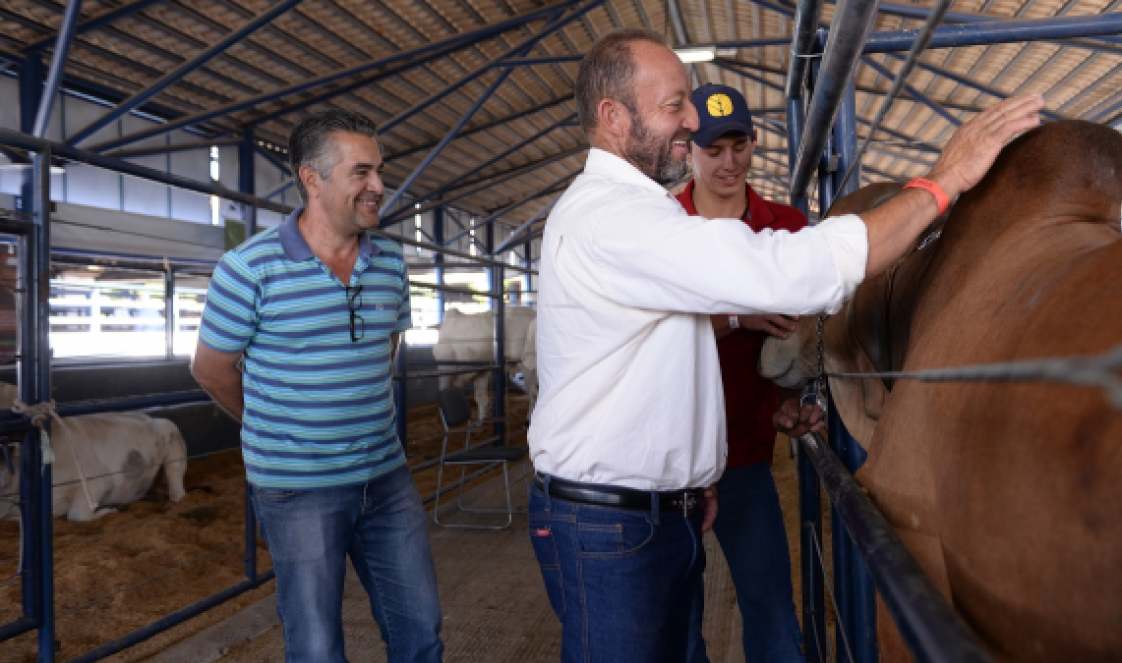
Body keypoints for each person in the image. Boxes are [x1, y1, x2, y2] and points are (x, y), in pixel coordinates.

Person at [525, 26, 1042, 663]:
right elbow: (792, 269)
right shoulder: (615, 219)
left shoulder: (642, 212)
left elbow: (665, 357)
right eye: (674, 106)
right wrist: (942, 182)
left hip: (665, 505)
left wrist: (695, 469)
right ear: (612, 116)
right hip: (613, 523)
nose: (690, 121)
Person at [191, 109, 444, 663]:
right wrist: (278, 426)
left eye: (378, 171)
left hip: (386, 478)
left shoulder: (391, 263)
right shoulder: (248, 268)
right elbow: (211, 369)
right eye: (361, 172)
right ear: (312, 179)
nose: (378, 186)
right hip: (298, 489)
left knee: (420, 630)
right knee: (316, 647)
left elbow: (386, 351)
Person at [675, 83, 808, 663]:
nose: (729, 163)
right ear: (687, 151)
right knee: (677, 620)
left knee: (773, 609)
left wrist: (805, 395)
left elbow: (814, 328)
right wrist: (738, 315)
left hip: (746, 456)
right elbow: (649, 333)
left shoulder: (786, 226)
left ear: (754, 142)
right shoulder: (661, 229)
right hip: (667, 463)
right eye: (713, 150)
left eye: (739, 145)